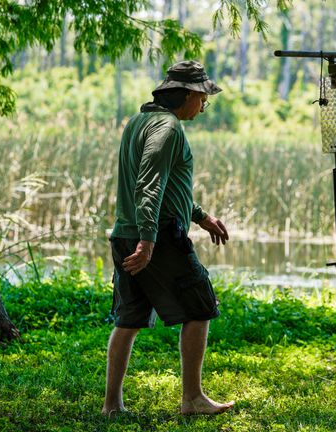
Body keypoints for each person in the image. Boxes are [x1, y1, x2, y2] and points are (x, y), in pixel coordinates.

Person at [102, 60, 234, 416]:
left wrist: (202, 216)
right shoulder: (169, 128)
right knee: (200, 306)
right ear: (188, 94)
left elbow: (167, 185)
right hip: (156, 237)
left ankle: (111, 405)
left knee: (128, 319)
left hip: (125, 234)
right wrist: (148, 242)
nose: (205, 104)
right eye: (203, 97)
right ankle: (192, 399)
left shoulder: (139, 122)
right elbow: (149, 185)